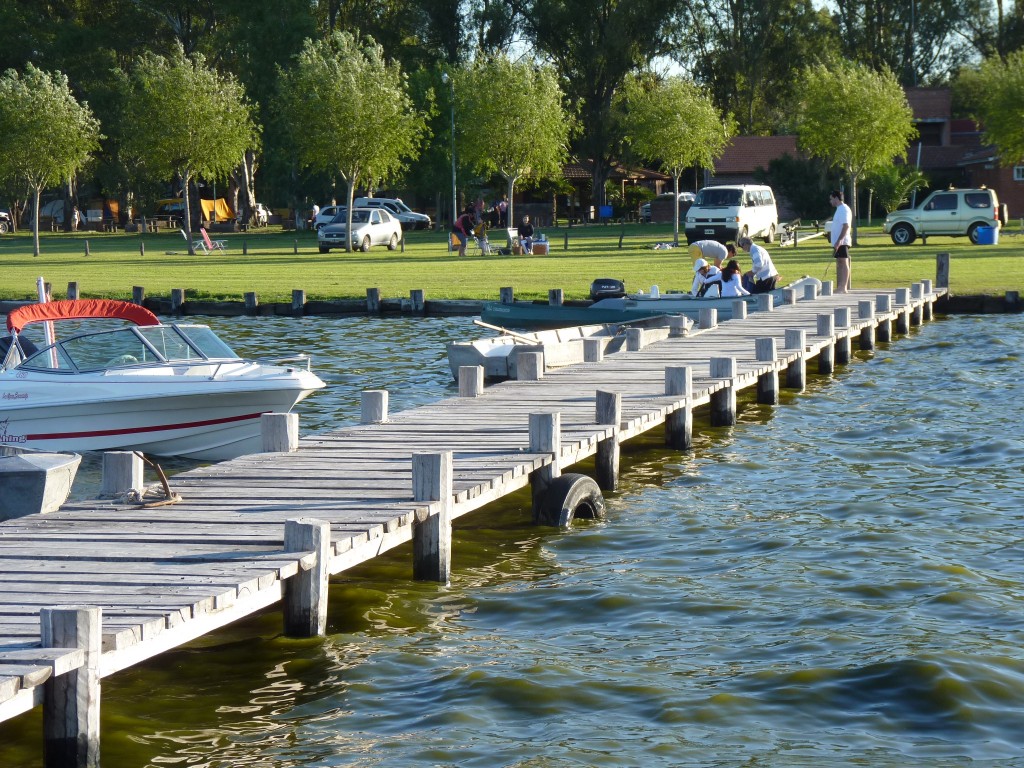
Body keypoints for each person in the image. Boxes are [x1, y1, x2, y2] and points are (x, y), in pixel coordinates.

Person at [829, 190, 852, 293]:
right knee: (839, 262)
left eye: (831, 199)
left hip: (842, 241)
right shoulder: (839, 209)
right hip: (838, 242)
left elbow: (846, 226)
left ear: (836, 198)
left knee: (844, 261)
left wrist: (839, 240)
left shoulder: (843, 209)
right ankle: (840, 287)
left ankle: (843, 287)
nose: (830, 201)